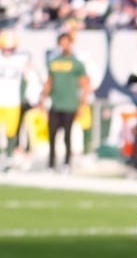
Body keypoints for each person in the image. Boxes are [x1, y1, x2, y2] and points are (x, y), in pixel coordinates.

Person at [38, 32, 90, 173]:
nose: (64, 45)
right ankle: (51, 164)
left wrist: (82, 104)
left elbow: (85, 84)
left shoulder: (76, 63)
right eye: (62, 42)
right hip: (55, 104)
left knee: (67, 136)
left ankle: (66, 163)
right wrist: (42, 100)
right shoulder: (54, 62)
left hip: (70, 104)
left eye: (67, 42)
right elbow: (49, 83)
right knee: (52, 135)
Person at [0, 29, 35, 171]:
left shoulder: (22, 59)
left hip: (13, 101)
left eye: (10, 48)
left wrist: (32, 96)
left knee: (11, 132)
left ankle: (8, 157)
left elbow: (31, 77)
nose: (8, 51)